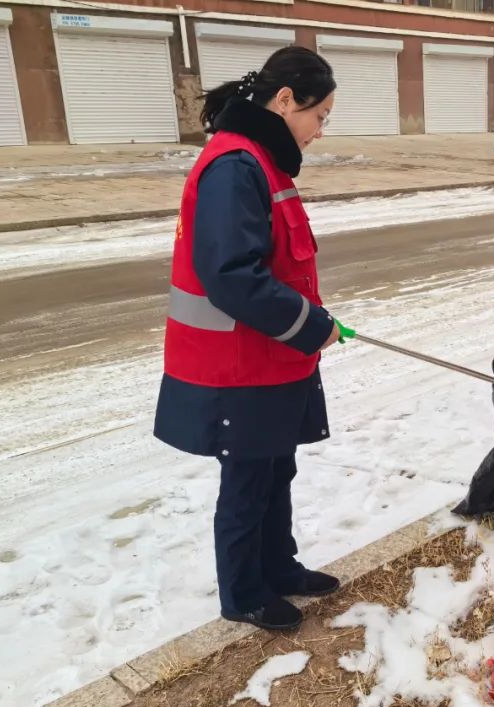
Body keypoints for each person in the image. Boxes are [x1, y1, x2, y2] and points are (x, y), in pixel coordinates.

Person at [154, 46, 342, 631]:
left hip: (272, 356)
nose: (319, 130)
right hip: (237, 365)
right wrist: (310, 325)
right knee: (248, 479)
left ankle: (278, 568)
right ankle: (242, 592)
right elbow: (233, 275)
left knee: (275, 469)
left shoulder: (263, 158)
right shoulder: (235, 166)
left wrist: (306, 325)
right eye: (318, 116)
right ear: (285, 100)